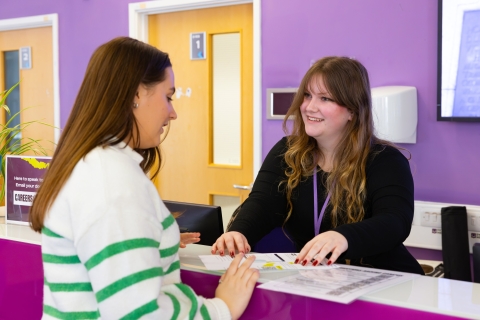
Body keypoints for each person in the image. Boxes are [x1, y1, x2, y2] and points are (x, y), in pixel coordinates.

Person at [29, 36, 259, 319]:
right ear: (137, 94)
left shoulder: (90, 165)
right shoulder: (112, 181)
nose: (172, 113)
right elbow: (138, 313)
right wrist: (222, 307)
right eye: (168, 96)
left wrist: (153, 240)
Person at [212, 56, 424, 275]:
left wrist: (343, 236)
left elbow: (394, 222)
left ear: (352, 110)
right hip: (318, 279)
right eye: (307, 95)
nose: (310, 107)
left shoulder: (385, 160)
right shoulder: (288, 151)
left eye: (325, 99)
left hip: (386, 280)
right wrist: (238, 233)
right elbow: (263, 204)